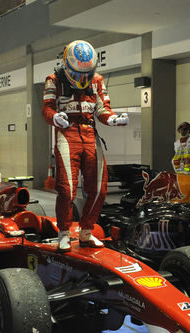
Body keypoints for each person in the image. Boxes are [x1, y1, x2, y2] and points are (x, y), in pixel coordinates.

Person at [43, 40, 129, 252]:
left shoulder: (98, 81)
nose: (82, 79)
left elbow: (102, 110)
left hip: (90, 134)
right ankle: (63, 233)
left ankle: (86, 231)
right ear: (66, 66)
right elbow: (47, 109)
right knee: (67, 189)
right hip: (67, 134)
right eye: (78, 74)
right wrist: (56, 118)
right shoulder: (53, 80)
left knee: (100, 188)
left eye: (86, 74)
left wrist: (114, 120)